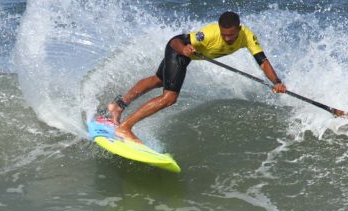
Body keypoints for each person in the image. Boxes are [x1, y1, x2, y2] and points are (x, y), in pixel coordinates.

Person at [107, 11, 287, 143]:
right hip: (178, 52)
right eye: (224, 35)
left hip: (185, 56)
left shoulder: (248, 36)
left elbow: (263, 61)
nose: (228, 39)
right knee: (170, 97)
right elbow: (174, 41)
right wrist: (184, 49)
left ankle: (118, 105)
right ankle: (125, 128)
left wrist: (277, 82)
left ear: (239, 29)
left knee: (158, 80)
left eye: (231, 35)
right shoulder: (208, 34)